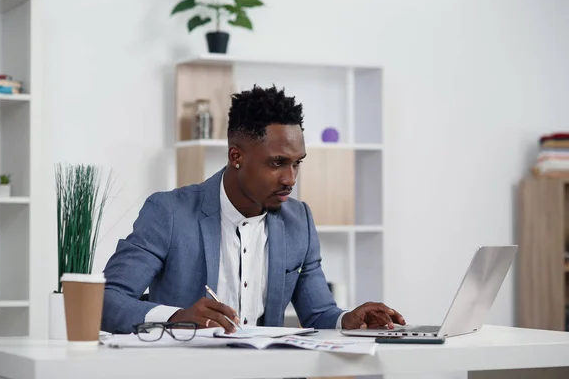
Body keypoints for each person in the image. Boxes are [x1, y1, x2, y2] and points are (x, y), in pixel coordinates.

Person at [101, 85, 406, 334]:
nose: (290, 179)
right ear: (237, 156)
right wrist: (177, 317)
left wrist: (348, 320)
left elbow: (318, 312)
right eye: (277, 163)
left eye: (296, 163)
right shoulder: (169, 212)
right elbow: (106, 301)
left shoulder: (299, 220)